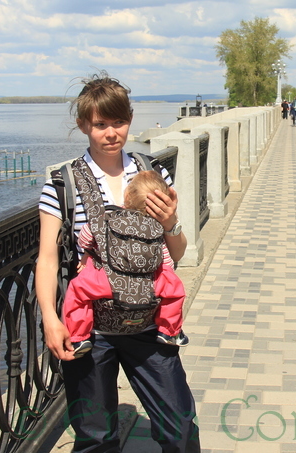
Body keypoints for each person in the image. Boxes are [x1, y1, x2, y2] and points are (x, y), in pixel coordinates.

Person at [35, 71, 200, 453]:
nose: (111, 133)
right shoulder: (63, 184)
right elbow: (45, 260)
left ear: (130, 119)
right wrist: (50, 319)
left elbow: (175, 253)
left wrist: (171, 222)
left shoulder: (151, 172)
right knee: (95, 436)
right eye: (100, 124)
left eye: (120, 122)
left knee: (179, 424)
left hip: (148, 322)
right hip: (90, 329)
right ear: (83, 126)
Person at [63, 170, 189, 358]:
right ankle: (169, 331)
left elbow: (88, 234)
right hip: (149, 284)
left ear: (127, 195)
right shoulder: (156, 227)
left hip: (108, 279)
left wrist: (87, 251)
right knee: (175, 291)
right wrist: (166, 275)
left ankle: (79, 336)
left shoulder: (110, 216)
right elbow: (167, 259)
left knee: (77, 291)